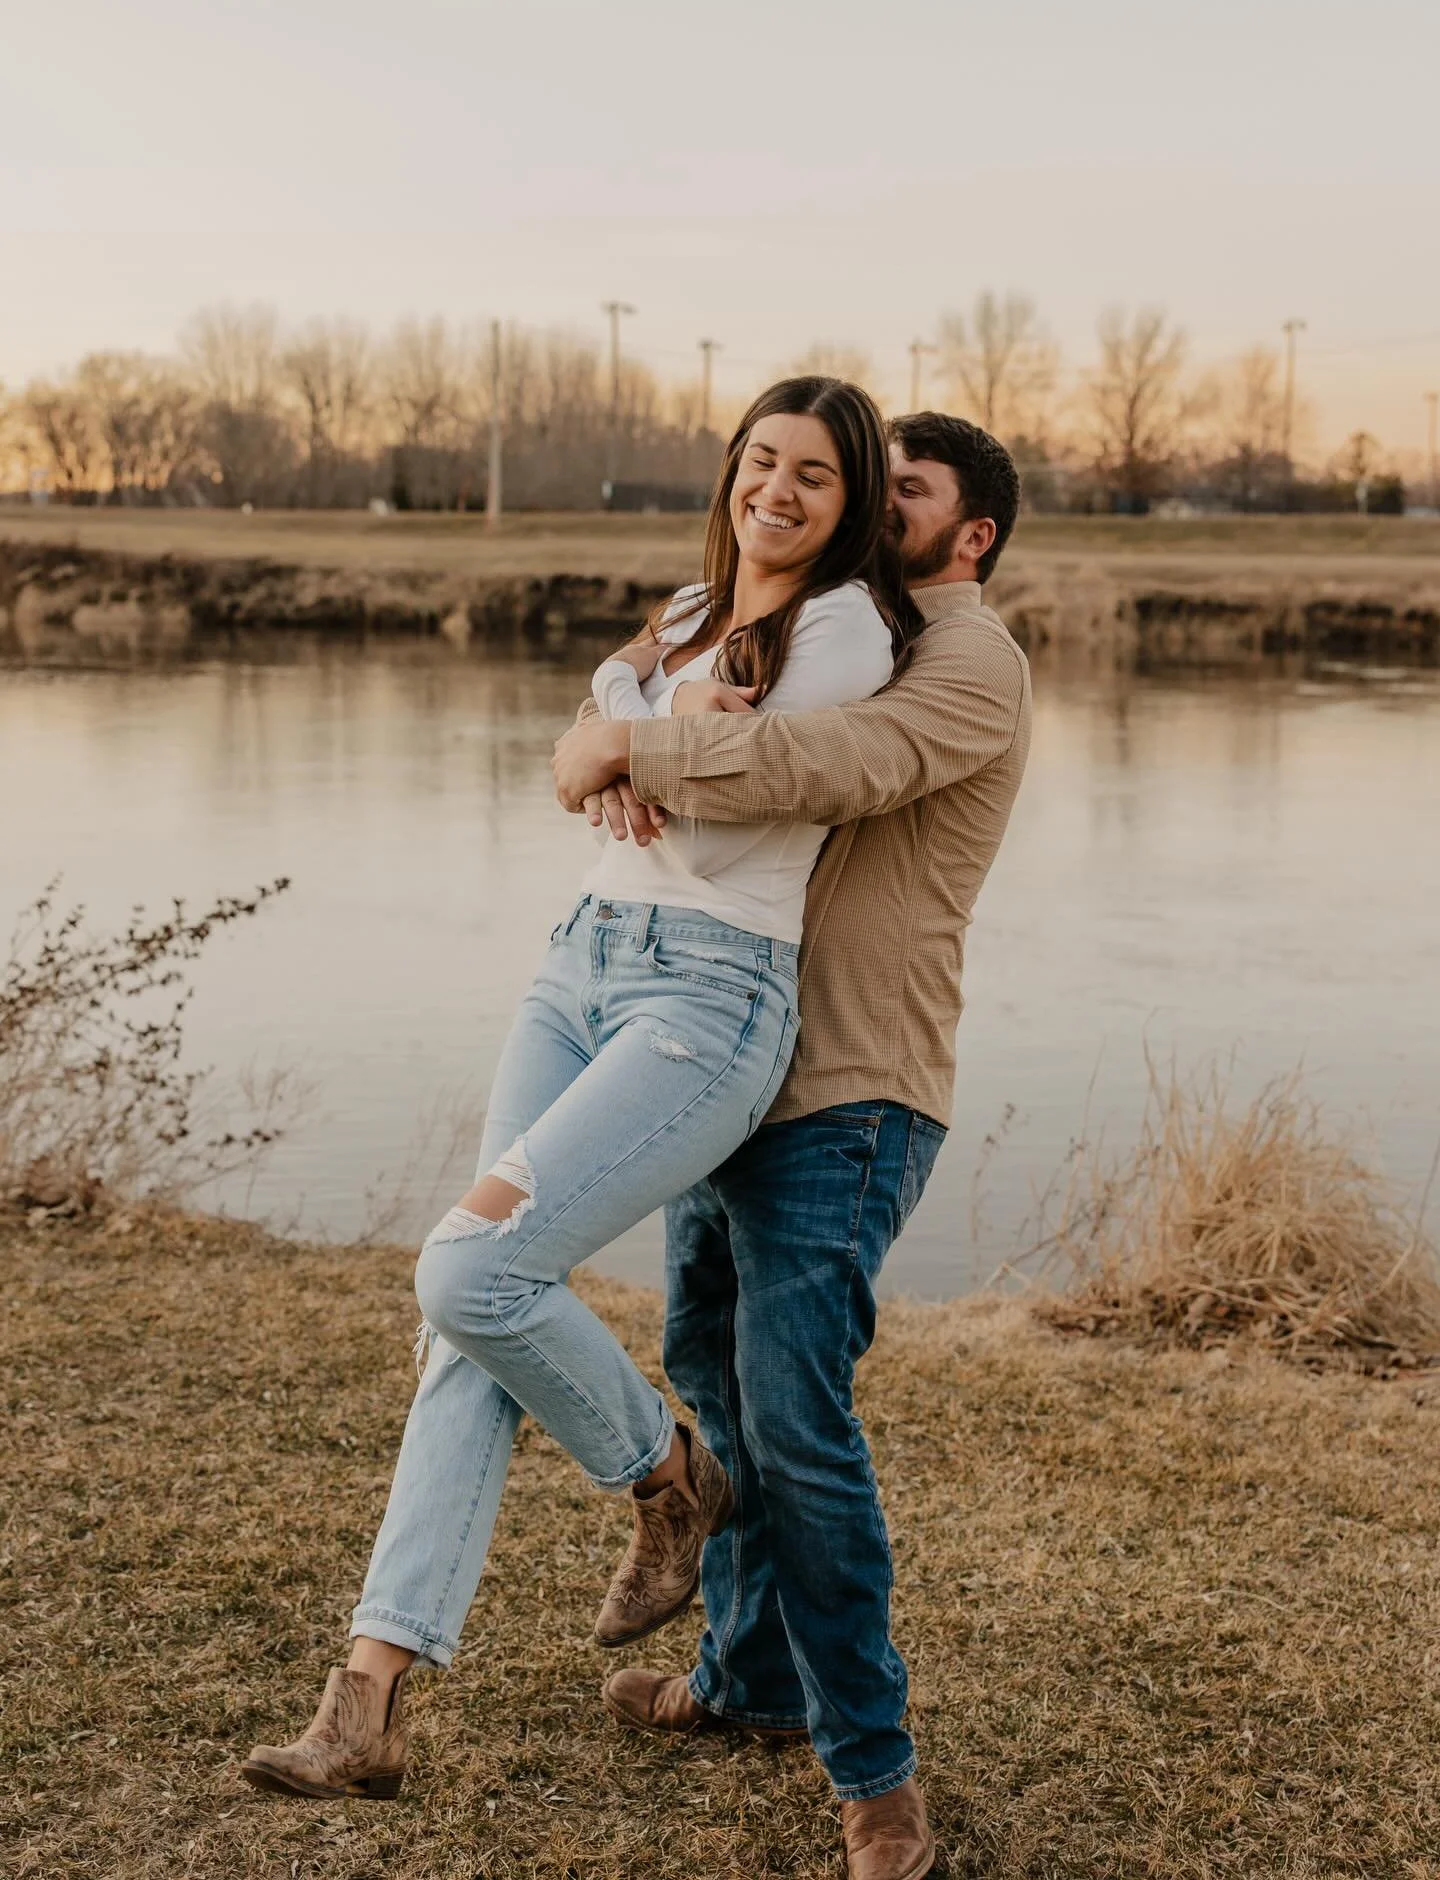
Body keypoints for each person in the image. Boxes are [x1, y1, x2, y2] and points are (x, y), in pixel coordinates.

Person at [238, 376, 923, 1803]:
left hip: (710, 994)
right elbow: (591, 734)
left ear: (850, 501)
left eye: (814, 475)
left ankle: (665, 1475)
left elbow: (747, 776)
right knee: (466, 1317)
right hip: (580, 968)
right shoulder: (687, 612)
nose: (777, 493)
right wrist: (620, 725)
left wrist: (634, 734)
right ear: (729, 473)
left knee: (469, 1269)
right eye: (759, 463)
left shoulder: (850, 626)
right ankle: (366, 1701)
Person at [552, 412, 1031, 1880]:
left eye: (910, 492)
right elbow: (660, 649)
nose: (876, 505)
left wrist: (643, 749)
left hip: (857, 1087)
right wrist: (627, 712)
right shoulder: (838, 623)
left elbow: (848, 764)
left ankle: (876, 1779)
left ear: (973, 535)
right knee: (715, 1380)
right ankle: (751, 1679)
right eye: (868, 483)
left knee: (797, 1418)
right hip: (729, 1058)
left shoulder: (964, 660)